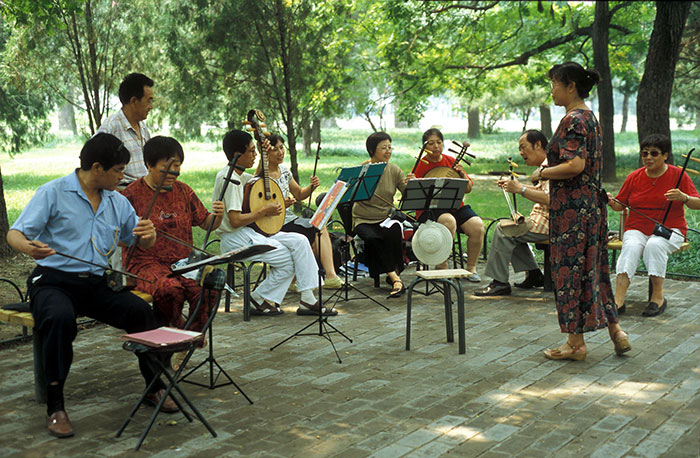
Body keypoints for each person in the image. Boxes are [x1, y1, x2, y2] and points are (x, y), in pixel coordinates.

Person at [6, 133, 177, 439]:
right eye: (118, 170)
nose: (123, 176)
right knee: (58, 320)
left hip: (96, 283)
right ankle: (55, 406)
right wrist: (30, 248)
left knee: (141, 313)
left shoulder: (116, 201)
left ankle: (155, 387)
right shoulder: (53, 193)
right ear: (97, 167)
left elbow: (137, 240)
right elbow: (15, 233)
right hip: (54, 282)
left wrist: (148, 233)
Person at [531, 61, 630, 361]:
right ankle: (617, 331)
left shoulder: (573, 120)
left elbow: (575, 165)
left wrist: (542, 174)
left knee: (569, 274)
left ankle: (575, 344)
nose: (552, 90)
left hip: (572, 212)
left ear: (570, 85)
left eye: (555, 84)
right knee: (594, 272)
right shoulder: (591, 117)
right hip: (592, 208)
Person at [213, 130, 335, 316]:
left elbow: (259, 180)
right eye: (252, 152)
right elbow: (235, 220)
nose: (255, 155)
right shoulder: (228, 178)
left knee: (301, 241)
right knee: (288, 258)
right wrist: (264, 211)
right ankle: (257, 298)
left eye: (256, 151)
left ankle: (307, 299)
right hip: (234, 238)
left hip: (249, 233)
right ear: (238, 155)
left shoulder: (242, 176)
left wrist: (264, 153)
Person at [122, 136, 225, 332]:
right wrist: (138, 234)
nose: (174, 172)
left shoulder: (184, 191)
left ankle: (190, 338)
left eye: (177, 166)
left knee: (209, 289)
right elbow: (116, 237)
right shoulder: (131, 195)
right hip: (145, 264)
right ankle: (176, 331)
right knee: (169, 290)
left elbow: (207, 223)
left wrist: (218, 216)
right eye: (167, 167)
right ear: (148, 165)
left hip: (182, 263)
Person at [607, 134, 700, 317]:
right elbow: (620, 205)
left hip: (670, 229)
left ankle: (657, 297)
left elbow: (697, 203)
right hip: (637, 228)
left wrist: (684, 197)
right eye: (644, 153)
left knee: (654, 244)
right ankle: (618, 300)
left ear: (665, 155)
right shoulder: (634, 177)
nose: (648, 157)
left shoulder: (677, 175)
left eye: (654, 153)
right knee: (631, 246)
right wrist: (610, 201)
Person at [256, 134, 343, 289]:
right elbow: (257, 203)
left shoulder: (284, 171)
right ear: (266, 153)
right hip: (274, 223)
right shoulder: (262, 175)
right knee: (318, 228)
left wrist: (311, 187)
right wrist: (283, 203)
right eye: (274, 149)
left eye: (281, 148)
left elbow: (299, 194)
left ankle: (297, 279)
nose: (280, 152)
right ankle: (329, 276)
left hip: (289, 219)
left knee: (318, 229)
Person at [475, 129, 550, 296]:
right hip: (543, 218)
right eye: (519, 149)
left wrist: (521, 189)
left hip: (551, 222)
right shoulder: (546, 165)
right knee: (513, 227)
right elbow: (541, 190)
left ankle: (499, 282)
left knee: (504, 230)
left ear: (538, 145)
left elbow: (551, 199)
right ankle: (534, 274)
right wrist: (515, 188)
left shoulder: (549, 166)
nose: (521, 152)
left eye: (523, 147)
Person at [413, 128, 484, 280]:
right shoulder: (421, 165)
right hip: (431, 210)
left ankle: (471, 268)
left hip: (454, 205)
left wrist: (462, 174)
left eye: (439, 142)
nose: (436, 146)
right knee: (448, 220)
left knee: (477, 225)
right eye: (431, 143)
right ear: (424, 147)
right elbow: (415, 192)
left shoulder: (451, 161)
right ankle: (442, 266)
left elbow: (469, 188)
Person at [352, 132, 410, 298]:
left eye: (390, 147)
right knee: (372, 238)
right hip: (363, 219)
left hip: (385, 218)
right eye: (383, 148)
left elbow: (407, 194)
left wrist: (411, 184)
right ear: (372, 150)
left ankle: (394, 276)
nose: (388, 151)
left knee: (393, 232)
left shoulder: (394, 170)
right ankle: (395, 278)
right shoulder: (363, 171)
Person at [97, 72, 155, 185]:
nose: (151, 106)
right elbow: (93, 164)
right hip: (125, 193)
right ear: (133, 101)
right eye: (149, 100)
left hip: (146, 189)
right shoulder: (111, 127)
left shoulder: (143, 127)